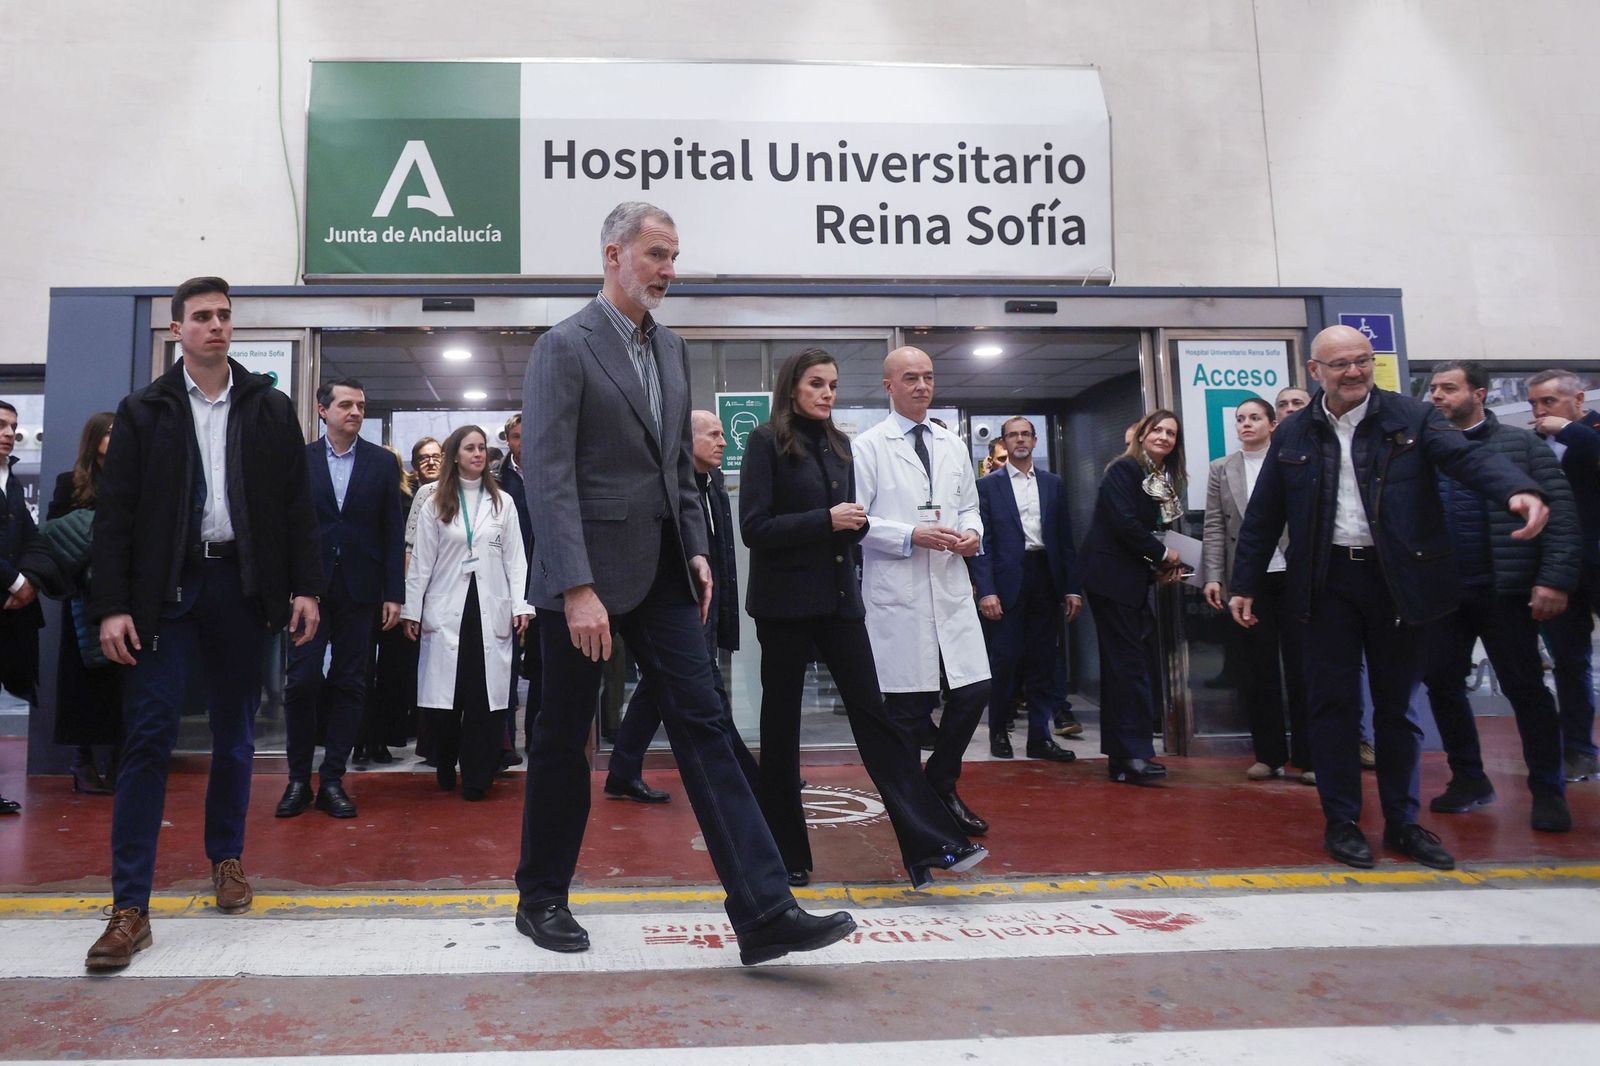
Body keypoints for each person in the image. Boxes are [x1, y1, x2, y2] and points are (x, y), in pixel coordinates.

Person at [515, 201, 854, 966]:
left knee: (703, 726)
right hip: (586, 579)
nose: (669, 271)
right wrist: (574, 587)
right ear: (613, 256)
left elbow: (676, 465)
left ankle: (765, 910)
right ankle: (541, 897)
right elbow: (549, 474)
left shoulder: (672, 349)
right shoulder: (563, 348)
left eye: (674, 257)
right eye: (657, 255)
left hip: (667, 570)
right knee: (564, 739)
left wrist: (697, 548)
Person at [1230, 325, 1549, 873]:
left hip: (1399, 581)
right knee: (1332, 707)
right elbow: (1263, 516)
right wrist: (1245, 583)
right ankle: (1343, 822)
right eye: (1340, 365)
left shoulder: (1412, 417)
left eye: (1363, 361)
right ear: (1315, 372)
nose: (1354, 372)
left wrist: (1517, 490)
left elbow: (1466, 459)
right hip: (1324, 583)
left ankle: (1403, 822)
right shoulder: (1293, 434)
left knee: (1396, 710)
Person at [85, 276, 324, 971]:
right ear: (177, 328)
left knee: (237, 736)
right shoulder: (145, 411)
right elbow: (116, 518)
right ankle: (130, 907)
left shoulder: (269, 409)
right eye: (202, 317)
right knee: (149, 741)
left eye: (224, 316)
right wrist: (111, 605)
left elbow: (294, 508)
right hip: (166, 594)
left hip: (242, 591)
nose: (216, 326)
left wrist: (306, 588)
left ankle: (226, 860)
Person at [744, 351, 984, 888]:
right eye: (816, 384)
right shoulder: (767, 442)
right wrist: (825, 520)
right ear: (793, 388)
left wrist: (859, 526)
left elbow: (855, 525)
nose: (826, 394)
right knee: (781, 731)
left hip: (840, 604)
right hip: (784, 608)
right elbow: (755, 528)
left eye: (832, 384)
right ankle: (786, 854)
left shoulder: (840, 445)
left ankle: (931, 844)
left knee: (877, 722)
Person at [1421, 361, 1577, 832]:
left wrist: (1554, 580)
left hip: (1504, 589)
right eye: (1433, 389)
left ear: (1480, 394)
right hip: (1444, 592)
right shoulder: (1424, 451)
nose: (1437, 397)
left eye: (1449, 388)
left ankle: (1549, 791)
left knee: (1526, 689)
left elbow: (1561, 515)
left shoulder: (1521, 446)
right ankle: (1469, 778)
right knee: (1442, 684)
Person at [854, 346, 991, 837]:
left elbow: (970, 505)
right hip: (899, 593)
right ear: (888, 386)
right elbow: (857, 521)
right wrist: (910, 535)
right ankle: (914, 816)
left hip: (950, 585)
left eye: (928, 377)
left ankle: (941, 783)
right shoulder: (868, 446)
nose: (922, 386)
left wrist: (973, 534)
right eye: (910, 378)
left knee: (974, 688)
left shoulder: (951, 443)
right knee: (907, 711)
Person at [607, 410, 754, 806]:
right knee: (707, 694)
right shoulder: (671, 489)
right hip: (677, 606)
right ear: (687, 443)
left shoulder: (715, 483)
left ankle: (622, 771)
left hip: (707, 598)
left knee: (658, 688)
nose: (724, 442)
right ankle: (748, 778)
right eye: (714, 434)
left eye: (724, 434)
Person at [277, 378, 405, 820]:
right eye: (346, 404)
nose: (355, 412)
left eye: (361, 405)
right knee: (302, 681)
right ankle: (297, 779)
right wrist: (292, 587)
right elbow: (287, 529)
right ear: (322, 410)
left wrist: (394, 593)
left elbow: (392, 531)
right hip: (307, 592)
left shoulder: (381, 463)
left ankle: (332, 779)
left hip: (361, 589)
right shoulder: (297, 460)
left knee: (352, 682)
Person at [403, 425, 532, 801]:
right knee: (447, 698)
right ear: (455, 455)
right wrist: (412, 609)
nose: (477, 454)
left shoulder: (502, 502)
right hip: (447, 609)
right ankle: (444, 759)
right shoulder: (435, 502)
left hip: (490, 609)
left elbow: (517, 560)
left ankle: (478, 775)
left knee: (484, 699)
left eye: (481, 448)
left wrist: (522, 604)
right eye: (469, 448)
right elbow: (422, 562)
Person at [1201, 398, 1311, 783]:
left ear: (1272, 423)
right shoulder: (1222, 469)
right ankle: (1269, 755)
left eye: (1254, 418)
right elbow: (1214, 526)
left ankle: (1309, 756)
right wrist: (1213, 575)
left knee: (1302, 668)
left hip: (1295, 574)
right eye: (1240, 419)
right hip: (1249, 581)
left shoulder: (1291, 460)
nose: (1246, 424)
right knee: (1258, 670)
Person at [1081, 410, 1187, 783]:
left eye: (1171, 433)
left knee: (1125, 669)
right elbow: (1124, 523)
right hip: (1112, 581)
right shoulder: (1124, 470)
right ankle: (1133, 756)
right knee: (1129, 669)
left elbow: (1145, 530)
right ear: (1141, 435)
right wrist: (1163, 556)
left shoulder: (1157, 477)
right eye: (1156, 429)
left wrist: (1158, 563)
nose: (1163, 436)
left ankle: (1124, 758)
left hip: (1127, 580)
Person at [970, 416, 1082, 763]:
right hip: (1006, 583)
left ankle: (1039, 737)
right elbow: (982, 543)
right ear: (1004, 443)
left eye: (1025, 435)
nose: (1019, 440)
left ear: (1035, 441)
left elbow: (1065, 540)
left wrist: (1072, 589)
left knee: (1043, 663)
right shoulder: (988, 486)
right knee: (1005, 662)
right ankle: (998, 732)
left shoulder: (1053, 484)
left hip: (1044, 578)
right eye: (1012, 436)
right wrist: (986, 590)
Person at [1527, 368, 1600, 782]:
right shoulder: (1533, 444)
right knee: (1569, 661)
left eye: (1548, 402)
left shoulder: (1587, 433)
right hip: (1559, 568)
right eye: (1535, 403)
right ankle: (1578, 749)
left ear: (1578, 400)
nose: (1539, 411)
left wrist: (1571, 431)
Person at [48, 412, 122, 794]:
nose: (115, 436)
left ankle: (119, 761)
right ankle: (83, 761)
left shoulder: (135, 480)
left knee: (124, 680)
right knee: (83, 683)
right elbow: (53, 538)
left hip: (126, 594)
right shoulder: (70, 483)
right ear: (93, 439)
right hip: (83, 595)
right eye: (109, 431)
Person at [358, 444, 416, 762]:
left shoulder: (409, 498)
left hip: (398, 593)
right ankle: (362, 738)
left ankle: (383, 736)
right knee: (361, 670)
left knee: (394, 672)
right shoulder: (362, 497)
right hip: (365, 591)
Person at [1, 398, 43, 815]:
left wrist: (29, 578)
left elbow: (31, 537)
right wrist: (15, 581)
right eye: (1, 424)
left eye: (14, 425)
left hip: (11, 610)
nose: (10, 432)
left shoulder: (9, 478)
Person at [493, 413, 539, 766]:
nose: (523, 442)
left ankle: (538, 739)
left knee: (541, 665)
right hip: (503, 581)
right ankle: (503, 742)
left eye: (529, 434)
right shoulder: (494, 479)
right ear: (508, 439)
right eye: (517, 436)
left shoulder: (549, 472)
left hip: (544, 579)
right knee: (502, 666)